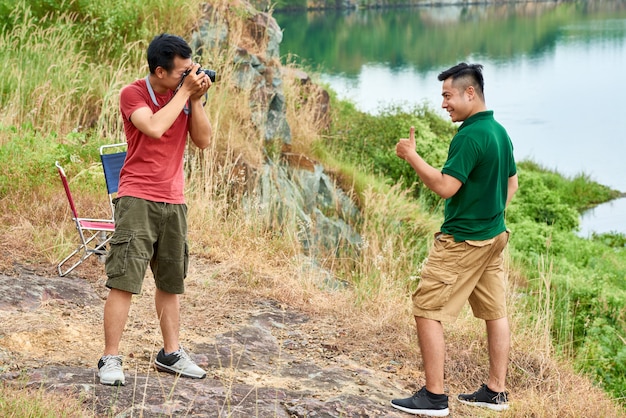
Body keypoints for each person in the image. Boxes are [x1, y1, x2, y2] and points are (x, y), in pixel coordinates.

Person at [390, 63, 518, 416]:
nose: (444, 103)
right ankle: (495, 392)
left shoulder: (470, 135)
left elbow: (446, 187)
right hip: (494, 237)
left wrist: (411, 156)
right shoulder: (498, 131)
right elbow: (512, 185)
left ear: (469, 93)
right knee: (495, 312)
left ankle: (433, 397)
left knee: (426, 308)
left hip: (463, 241)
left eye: (448, 95)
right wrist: (489, 217)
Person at [97, 33, 213, 386]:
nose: (187, 77)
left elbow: (204, 141)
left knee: (170, 282)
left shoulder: (185, 96)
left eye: (189, 71)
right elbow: (155, 128)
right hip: (137, 197)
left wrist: (199, 100)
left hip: (174, 198)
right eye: (181, 73)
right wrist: (184, 94)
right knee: (124, 281)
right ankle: (110, 358)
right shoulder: (133, 93)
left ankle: (171, 353)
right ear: (160, 71)